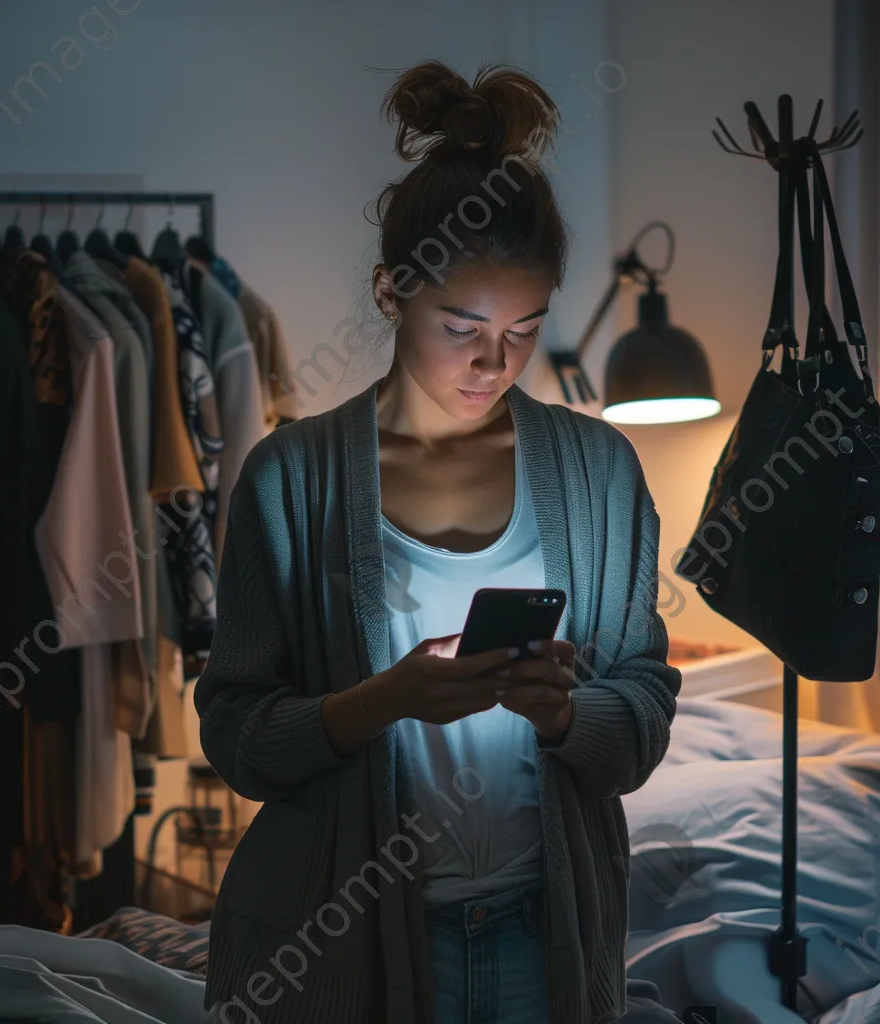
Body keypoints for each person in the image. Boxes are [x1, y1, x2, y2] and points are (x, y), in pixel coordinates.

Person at [195, 59, 683, 1024]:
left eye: (524, 329)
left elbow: (643, 715)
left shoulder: (599, 472)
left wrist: (562, 716)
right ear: (390, 291)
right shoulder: (292, 479)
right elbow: (237, 736)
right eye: (461, 325)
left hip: (548, 929)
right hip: (345, 940)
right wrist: (383, 701)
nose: (490, 362)